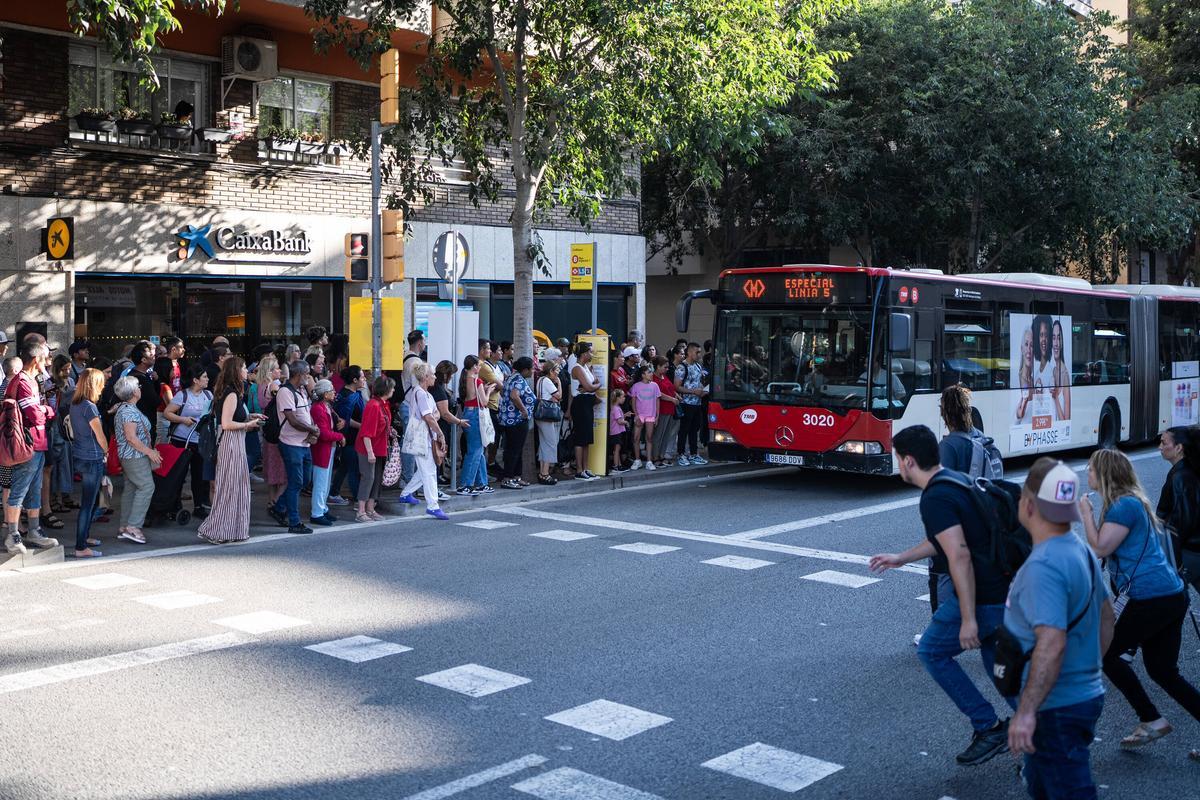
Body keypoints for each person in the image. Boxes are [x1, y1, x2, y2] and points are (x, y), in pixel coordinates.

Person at [869, 425, 1011, 766]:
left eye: (897, 459)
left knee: (932, 650)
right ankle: (1040, 734)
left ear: (909, 461)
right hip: (1001, 588)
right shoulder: (955, 480)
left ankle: (989, 726)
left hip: (983, 596)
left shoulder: (935, 497)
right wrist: (901, 557)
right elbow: (947, 539)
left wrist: (967, 618)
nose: (898, 465)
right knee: (999, 665)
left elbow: (958, 554)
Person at [1005, 458, 1113, 799]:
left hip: (1056, 708)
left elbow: (1051, 643)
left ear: (1030, 505)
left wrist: (1025, 712)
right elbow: (1106, 617)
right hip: (1082, 694)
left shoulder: (1044, 565)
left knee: (1070, 789)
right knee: (1042, 785)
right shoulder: (1078, 549)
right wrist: (1087, 671)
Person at [1080, 448, 1200, 755]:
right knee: (1163, 671)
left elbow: (1100, 548)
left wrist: (1085, 515)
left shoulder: (1123, 506)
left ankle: (1150, 718)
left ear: (1105, 474)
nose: (1087, 474)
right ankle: (1150, 718)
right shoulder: (1126, 503)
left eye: (1091, 469)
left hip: (1151, 597)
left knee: (1105, 654)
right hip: (1168, 596)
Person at [198, 358, 264, 545]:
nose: (246, 370)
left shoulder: (229, 392)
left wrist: (251, 416)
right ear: (236, 371)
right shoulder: (232, 393)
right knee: (231, 487)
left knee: (233, 487)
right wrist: (248, 424)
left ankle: (229, 530)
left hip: (233, 441)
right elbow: (226, 423)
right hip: (231, 442)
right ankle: (218, 530)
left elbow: (229, 418)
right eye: (243, 367)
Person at [3, 339, 59, 555]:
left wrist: (42, 410)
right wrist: (46, 410)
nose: (48, 361)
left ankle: (34, 531)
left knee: (34, 488)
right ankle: (13, 535)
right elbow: (35, 415)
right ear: (36, 359)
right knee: (19, 489)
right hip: (28, 442)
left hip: (36, 441)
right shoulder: (24, 382)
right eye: (45, 357)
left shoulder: (30, 380)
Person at [268, 360, 318, 534]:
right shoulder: (285, 392)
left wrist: (312, 431)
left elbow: (305, 415)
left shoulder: (302, 391)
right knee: (296, 482)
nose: (308, 377)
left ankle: (279, 507)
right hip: (291, 443)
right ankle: (294, 521)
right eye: (307, 373)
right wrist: (312, 429)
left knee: (304, 480)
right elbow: (293, 420)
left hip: (303, 443)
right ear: (298, 374)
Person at [113, 375, 161, 545]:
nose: (140, 388)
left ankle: (125, 526)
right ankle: (133, 527)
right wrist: (150, 452)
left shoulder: (126, 408)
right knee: (147, 486)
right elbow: (131, 438)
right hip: (134, 456)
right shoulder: (128, 411)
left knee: (131, 488)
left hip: (128, 456)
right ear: (134, 392)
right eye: (138, 386)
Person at [162, 364, 213, 519]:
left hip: (200, 440)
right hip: (182, 440)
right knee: (179, 474)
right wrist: (183, 419)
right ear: (195, 380)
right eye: (204, 377)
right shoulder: (182, 395)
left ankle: (199, 506)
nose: (207, 379)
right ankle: (173, 505)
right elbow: (167, 413)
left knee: (199, 475)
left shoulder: (209, 395)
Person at [398, 362, 448, 520]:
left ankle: (406, 494)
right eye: (432, 374)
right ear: (426, 377)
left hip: (423, 436)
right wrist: (440, 433)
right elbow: (430, 416)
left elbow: (435, 415)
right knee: (429, 472)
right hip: (423, 437)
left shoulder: (423, 393)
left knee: (424, 470)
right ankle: (433, 506)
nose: (434, 377)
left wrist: (433, 418)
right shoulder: (421, 393)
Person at [68, 368, 107, 558]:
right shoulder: (89, 406)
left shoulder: (75, 404)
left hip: (80, 454)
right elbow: (100, 436)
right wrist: (106, 451)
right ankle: (81, 546)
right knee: (89, 504)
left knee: (90, 501)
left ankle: (85, 537)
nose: (103, 386)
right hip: (93, 457)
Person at [1157, 426, 1200, 591]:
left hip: (1189, 551)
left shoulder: (1181, 477)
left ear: (1179, 447)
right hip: (1192, 549)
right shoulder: (1186, 471)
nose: (1159, 447)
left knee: (1164, 592)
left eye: (1163, 443)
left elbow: (1182, 523)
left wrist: (1176, 560)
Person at [356, 375, 395, 522]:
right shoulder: (374, 405)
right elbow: (366, 432)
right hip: (369, 448)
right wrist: (370, 452)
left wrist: (389, 430)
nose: (394, 390)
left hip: (378, 447)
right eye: (392, 387)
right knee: (368, 478)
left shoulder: (382, 404)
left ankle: (370, 509)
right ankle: (361, 511)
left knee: (376, 478)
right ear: (386, 389)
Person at [330, 365, 367, 507]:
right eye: (362, 377)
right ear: (354, 380)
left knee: (345, 466)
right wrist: (362, 426)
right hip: (350, 437)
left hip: (352, 436)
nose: (364, 379)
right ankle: (359, 500)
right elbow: (345, 419)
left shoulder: (350, 394)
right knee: (353, 468)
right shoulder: (347, 397)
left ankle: (334, 492)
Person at [309, 379, 344, 527]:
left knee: (325, 481)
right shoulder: (319, 408)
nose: (334, 392)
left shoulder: (325, 406)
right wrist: (340, 436)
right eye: (331, 390)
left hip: (328, 448)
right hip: (322, 448)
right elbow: (323, 433)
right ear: (324, 394)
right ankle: (317, 512)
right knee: (321, 482)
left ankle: (322, 508)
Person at [255, 354, 288, 513]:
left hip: (267, 429)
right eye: (276, 368)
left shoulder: (260, 386)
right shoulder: (275, 386)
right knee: (282, 471)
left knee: (271, 468)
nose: (279, 371)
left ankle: (271, 500)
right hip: (278, 429)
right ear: (270, 371)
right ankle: (278, 503)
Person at [458, 355, 493, 495]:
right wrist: (488, 391)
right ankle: (466, 484)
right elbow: (484, 402)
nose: (480, 367)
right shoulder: (476, 380)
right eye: (478, 365)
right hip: (475, 415)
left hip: (468, 413)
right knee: (476, 450)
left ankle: (481, 483)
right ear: (474, 367)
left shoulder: (465, 379)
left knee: (477, 450)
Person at [498, 356, 535, 489]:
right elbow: (514, 396)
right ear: (525, 370)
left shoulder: (512, 377)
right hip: (516, 420)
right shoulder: (518, 380)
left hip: (511, 419)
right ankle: (507, 478)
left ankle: (516, 476)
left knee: (517, 449)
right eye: (532, 368)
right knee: (513, 449)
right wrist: (524, 410)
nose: (533, 371)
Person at [47, 353, 76, 519]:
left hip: (67, 424)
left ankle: (65, 495)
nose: (67, 372)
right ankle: (53, 498)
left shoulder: (71, 382)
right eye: (64, 369)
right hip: (56, 424)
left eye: (69, 369)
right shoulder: (50, 384)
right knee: (56, 463)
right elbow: (52, 406)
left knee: (67, 461)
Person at [938, 385, 988, 479]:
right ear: (968, 410)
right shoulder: (980, 437)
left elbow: (943, 484)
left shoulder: (948, 446)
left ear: (943, 412)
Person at [570, 341, 601, 480]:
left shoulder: (586, 367)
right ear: (584, 353)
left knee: (587, 438)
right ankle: (579, 470)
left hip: (587, 402)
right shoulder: (577, 368)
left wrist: (594, 385)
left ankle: (586, 468)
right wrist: (596, 385)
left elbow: (593, 382)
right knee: (580, 438)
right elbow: (590, 387)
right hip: (581, 403)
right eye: (590, 352)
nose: (592, 354)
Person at [674, 342, 708, 466]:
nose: (699, 354)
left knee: (694, 430)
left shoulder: (698, 366)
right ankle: (681, 454)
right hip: (686, 403)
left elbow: (698, 382)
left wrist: (703, 390)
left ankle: (694, 454)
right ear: (689, 352)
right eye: (697, 352)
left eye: (700, 352)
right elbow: (677, 386)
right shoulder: (682, 367)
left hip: (697, 403)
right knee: (684, 430)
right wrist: (693, 391)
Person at [535, 349, 562, 486]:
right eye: (556, 370)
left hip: (540, 414)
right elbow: (558, 396)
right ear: (551, 371)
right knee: (550, 443)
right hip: (547, 415)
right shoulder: (548, 381)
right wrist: (559, 384)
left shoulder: (540, 379)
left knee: (544, 443)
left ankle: (542, 472)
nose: (558, 373)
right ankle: (545, 473)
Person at [628, 364, 661, 471]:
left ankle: (649, 461)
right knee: (636, 438)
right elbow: (633, 401)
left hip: (651, 415)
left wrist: (657, 416)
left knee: (649, 438)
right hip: (640, 415)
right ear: (643, 375)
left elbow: (657, 401)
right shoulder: (636, 386)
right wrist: (636, 415)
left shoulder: (655, 385)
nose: (651, 374)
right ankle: (637, 461)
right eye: (649, 372)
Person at [477, 339, 504, 469]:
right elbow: (499, 385)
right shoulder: (483, 365)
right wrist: (491, 387)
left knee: (491, 439)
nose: (490, 351)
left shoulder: (487, 365)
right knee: (487, 440)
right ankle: (488, 466)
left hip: (491, 405)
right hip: (488, 406)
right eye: (488, 349)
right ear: (482, 350)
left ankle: (488, 466)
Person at [651, 356, 680, 468]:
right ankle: (655, 457)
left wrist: (676, 395)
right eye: (665, 367)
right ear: (658, 367)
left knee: (666, 435)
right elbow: (659, 394)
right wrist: (672, 399)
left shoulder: (664, 376)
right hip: (661, 409)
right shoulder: (653, 378)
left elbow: (671, 389)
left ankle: (661, 455)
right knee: (658, 434)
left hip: (670, 409)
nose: (667, 369)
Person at [1049, 320, 1071, 420]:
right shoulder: (1054, 371)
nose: (1056, 343)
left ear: (1062, 343)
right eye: (1053, 338)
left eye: (1059, 338)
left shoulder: (1065, 374)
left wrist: (1056, 397)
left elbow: (1066, 420)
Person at [609, 388, 630, 473]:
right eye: (622, 397)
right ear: (617, 398)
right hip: (616, 432)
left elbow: (617, 418)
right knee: (617, 449)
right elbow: (619, 421)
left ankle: (619, 465)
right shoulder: (616, 408)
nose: (624, 398)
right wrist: (626, 422)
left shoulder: (615, 408)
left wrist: (625, 415)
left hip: (616, 432)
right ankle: (616, 466)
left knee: (617, 449)